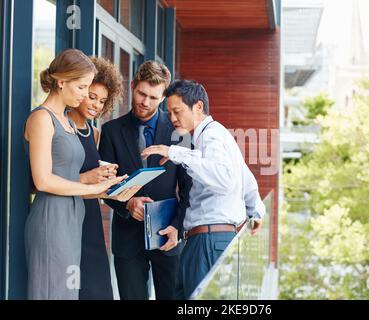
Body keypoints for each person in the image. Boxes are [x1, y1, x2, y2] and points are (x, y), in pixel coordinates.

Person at [141, 79, 266, 299]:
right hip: (206, 240)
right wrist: (256, 210)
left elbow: (225, 178)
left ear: (198, 107)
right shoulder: (213, 135)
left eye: (177, 111)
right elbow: (243, 174)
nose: (172, 118)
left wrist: (174, 153)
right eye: (169, 112)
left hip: (208, 240)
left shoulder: (211, 135)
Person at [23, 49, 128, 300]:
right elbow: (42, 180)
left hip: (73, 218)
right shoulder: (41, 118)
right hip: (52, 219)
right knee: (53, 292)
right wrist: (95, 189)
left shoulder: (68, 123)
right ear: (62, 82)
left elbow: (71, 174)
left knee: (69, 293)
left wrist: (110, 187)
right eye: (82, 88)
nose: (84, 95)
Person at [98, 61, 191, 300]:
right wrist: (127, 204)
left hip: (167, 235)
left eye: (153, 97)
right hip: (128, 240)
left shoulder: (177, 132)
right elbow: (104, 185)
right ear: (132, 86)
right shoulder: (111, 131)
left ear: (163, 98)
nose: (145, 102)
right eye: (141, 93)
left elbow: (189, 188)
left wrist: (178, 228)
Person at [67, 57, 141, 300]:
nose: (96, 105)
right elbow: (44, 180)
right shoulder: (59, 126)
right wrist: (90, 178)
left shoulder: (96, 133)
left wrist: (113, 182)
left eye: (102, 101)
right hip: (65, 214)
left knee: (96, 288)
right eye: (92, 96)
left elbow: (95, 183)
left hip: (90, 217)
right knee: (69, 287)